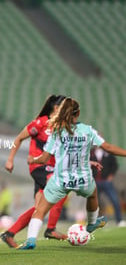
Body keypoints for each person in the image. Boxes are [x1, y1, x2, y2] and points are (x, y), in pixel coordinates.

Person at [19, 98, 126, 249]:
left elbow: (43, 159)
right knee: (93, 194)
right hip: (83, 179)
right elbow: (108, 147)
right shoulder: (88, 130)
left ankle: (31, 240)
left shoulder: (56, 132)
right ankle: (92, 222)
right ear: (78, 113)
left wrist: (32, 159)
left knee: (40, 210)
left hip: (60, 180)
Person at [1, 95, 68, 248]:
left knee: (39, 209)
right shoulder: (39, 123)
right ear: (56, 108)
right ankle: (51, 230)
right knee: (60, 187)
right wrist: (10, 159)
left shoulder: (62, 127)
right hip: (39, 166)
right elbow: (19, 138)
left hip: (51, 167)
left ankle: (9, 233)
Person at [90, 146, 126, 227]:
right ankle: (96, 222)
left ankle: (119, 220)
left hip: (106, 181)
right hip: (95, 182)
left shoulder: (108, 153)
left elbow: (115, 165)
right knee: (94, 203)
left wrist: (111, 176)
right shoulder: (90, 153)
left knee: (115, 200)